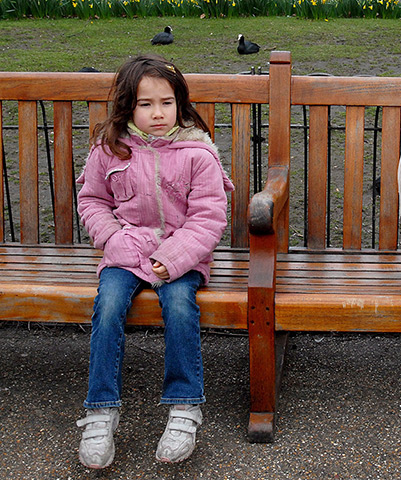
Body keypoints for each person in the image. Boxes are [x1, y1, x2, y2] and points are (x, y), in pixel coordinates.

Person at [75, 54, 234, 469]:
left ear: (180, 103)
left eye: (166, 102)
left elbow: (209, 216)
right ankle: (100, 410)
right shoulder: (110, 148)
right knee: (108, 306)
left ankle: (184, 407)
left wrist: (174, 258)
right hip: (125, 253)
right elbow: (92, 200)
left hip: (181, 257)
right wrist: (112, 239)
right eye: (145, 104)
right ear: (128, 106)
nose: (157, 113)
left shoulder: (197, 153)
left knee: (180, 307)